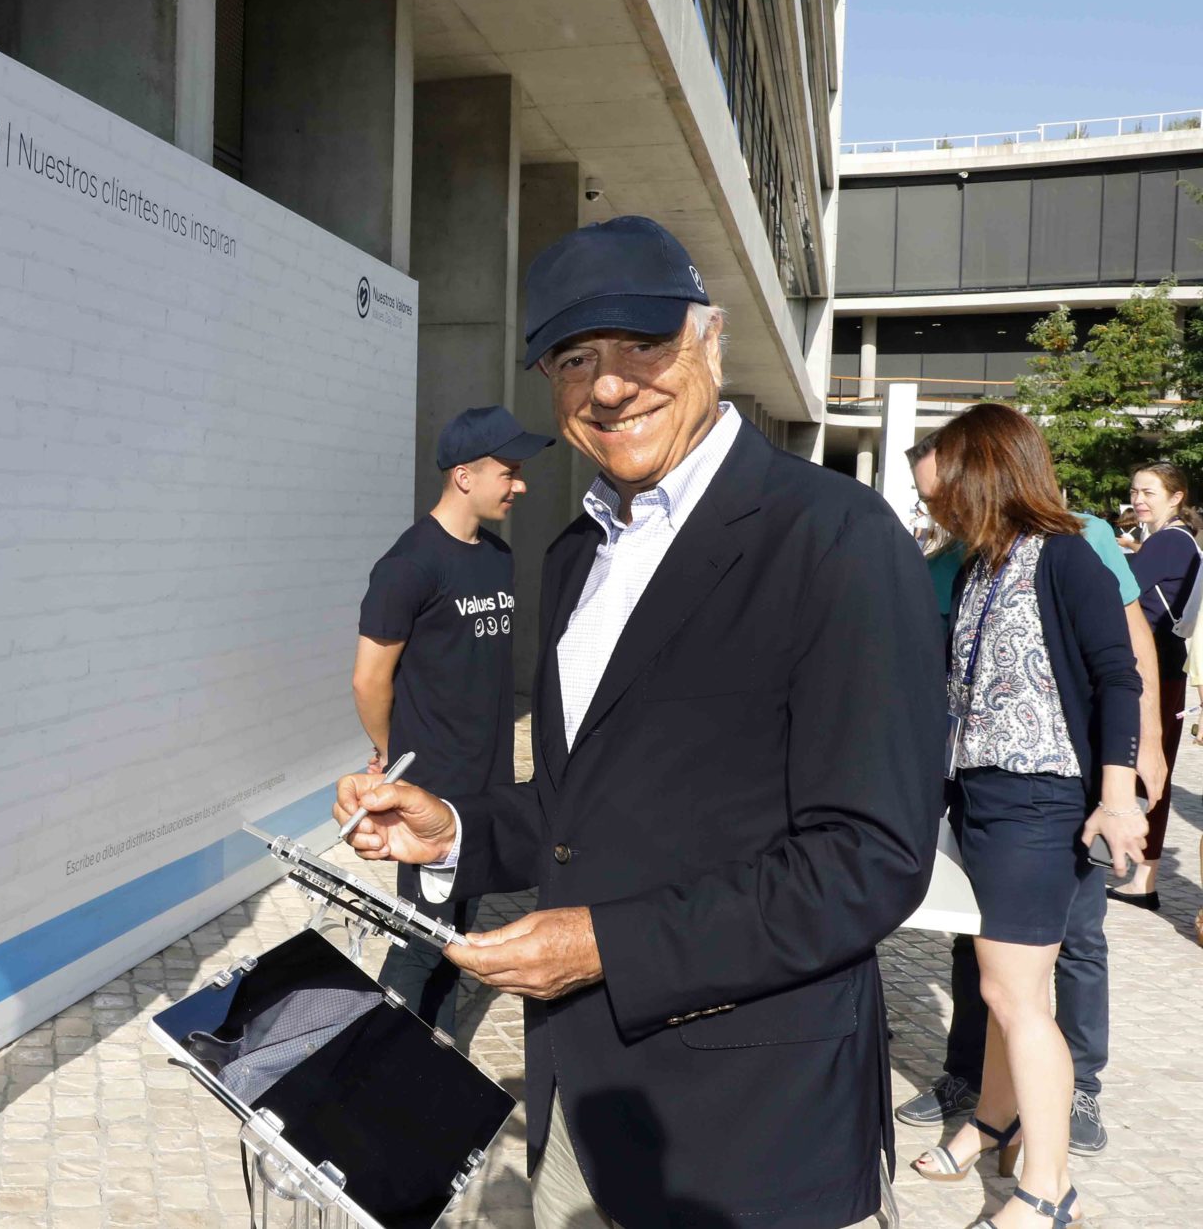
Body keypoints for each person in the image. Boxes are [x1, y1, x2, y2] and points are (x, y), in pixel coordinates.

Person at [336, 215, 945, 1229]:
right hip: (584, 1099)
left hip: (748, 1131)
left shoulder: (836, 539)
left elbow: (871, 860)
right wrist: (457, 828)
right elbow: (588, 808)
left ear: (710, 341)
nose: (610, 385)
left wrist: (606, 946)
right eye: (576, 358)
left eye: (643, 345)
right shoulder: (578, 548)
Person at [905, 403, 1147, 1228]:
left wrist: (1119, 796)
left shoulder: (1068, 557)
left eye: (945, 495)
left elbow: (1120, 676)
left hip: (1038, 801)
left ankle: (1047, 1186)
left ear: (986, 473)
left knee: (1017, 997)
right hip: (981, 798)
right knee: (1007, 986)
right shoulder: (980, 566)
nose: (939, 513)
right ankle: (991, 1121)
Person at [352, 405, 553, 1036]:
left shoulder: (496, 557)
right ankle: (365, 1064)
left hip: (485, 783)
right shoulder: (408, 566)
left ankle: (433, 1051)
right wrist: (393, 753)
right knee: (419, 936)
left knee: (455, 929)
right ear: (464, 475)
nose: (519, 484)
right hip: (429, 786)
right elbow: (368, 678)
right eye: (508, 471)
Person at [1112, 460, 1201, 909]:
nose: (1138, 500)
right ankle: (1139, 875)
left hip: (1157, 672)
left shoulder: (1170, 541)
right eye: (1135, 491)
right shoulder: (1173, 541)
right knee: (1151, 768)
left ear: (1176, 497)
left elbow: (1117, 589)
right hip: (1165, 669)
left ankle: (1141, 879)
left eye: (1149, 492)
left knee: (1148, 768)